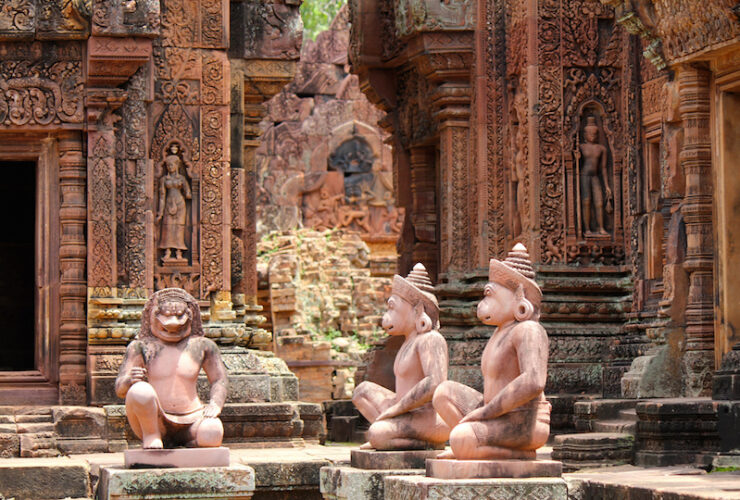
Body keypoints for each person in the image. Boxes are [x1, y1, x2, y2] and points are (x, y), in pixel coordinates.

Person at [432, 243, 550, 459]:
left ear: (518, 297)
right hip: (496, 415)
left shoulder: (528, 330)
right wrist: (485, 412)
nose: (483, 303)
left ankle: (480, 448)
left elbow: (534, 381)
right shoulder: (499, 333)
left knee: (460, 437)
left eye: (489, 294)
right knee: (443, 393)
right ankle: (471, 446)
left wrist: (485, 413)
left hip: (524, 421)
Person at [352, 264, 451, 450]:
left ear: (417, 310)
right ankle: (393, 433)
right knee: (362, 391)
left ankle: (418, 442)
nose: (388, 315)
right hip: (404, 412)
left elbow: (435, 383)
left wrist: (396, 410)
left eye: (393, 308)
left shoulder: (430, 339)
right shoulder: (407, 342)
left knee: (377, 433)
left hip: (427, 417)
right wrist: (396, 408)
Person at [115, 288, 228, 448]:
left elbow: (219, 379)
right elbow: (120, 390)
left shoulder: (203, 346)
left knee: (212, 433)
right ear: (150, 316)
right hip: (156, 419)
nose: (173, 323)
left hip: (193, 417)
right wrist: (129, 380)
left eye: (180, 316)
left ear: (192, 316)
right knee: (139, 390)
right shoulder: (141, 347)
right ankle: (152, 436)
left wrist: (215, 404)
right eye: (166, 316)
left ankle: (190, 444)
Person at [157, 143, 192, 263]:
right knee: (167, 227)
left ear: (177, 166)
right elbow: (162, 196)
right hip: (168, 203)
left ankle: (179, 252)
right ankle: (167, 251)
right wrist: (160, 213)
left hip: (180, 204)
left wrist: (188, 193)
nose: (170, 167)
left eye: (172, 165)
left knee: (179, 227)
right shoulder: (164, 179)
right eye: (168, 165)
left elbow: (188, 192)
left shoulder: (181, 179)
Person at [579, 116, 611, 235]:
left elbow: (603, 168)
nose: (592, 135)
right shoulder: (581, 147)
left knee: (599, 202)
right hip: (584, 176)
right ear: (585, 134)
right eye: (590, 133)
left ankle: (601, 227)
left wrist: (607, 186)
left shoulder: (601, 148)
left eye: (595, 133)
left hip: (595, 177)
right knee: (586, 201)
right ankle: (587, 228)